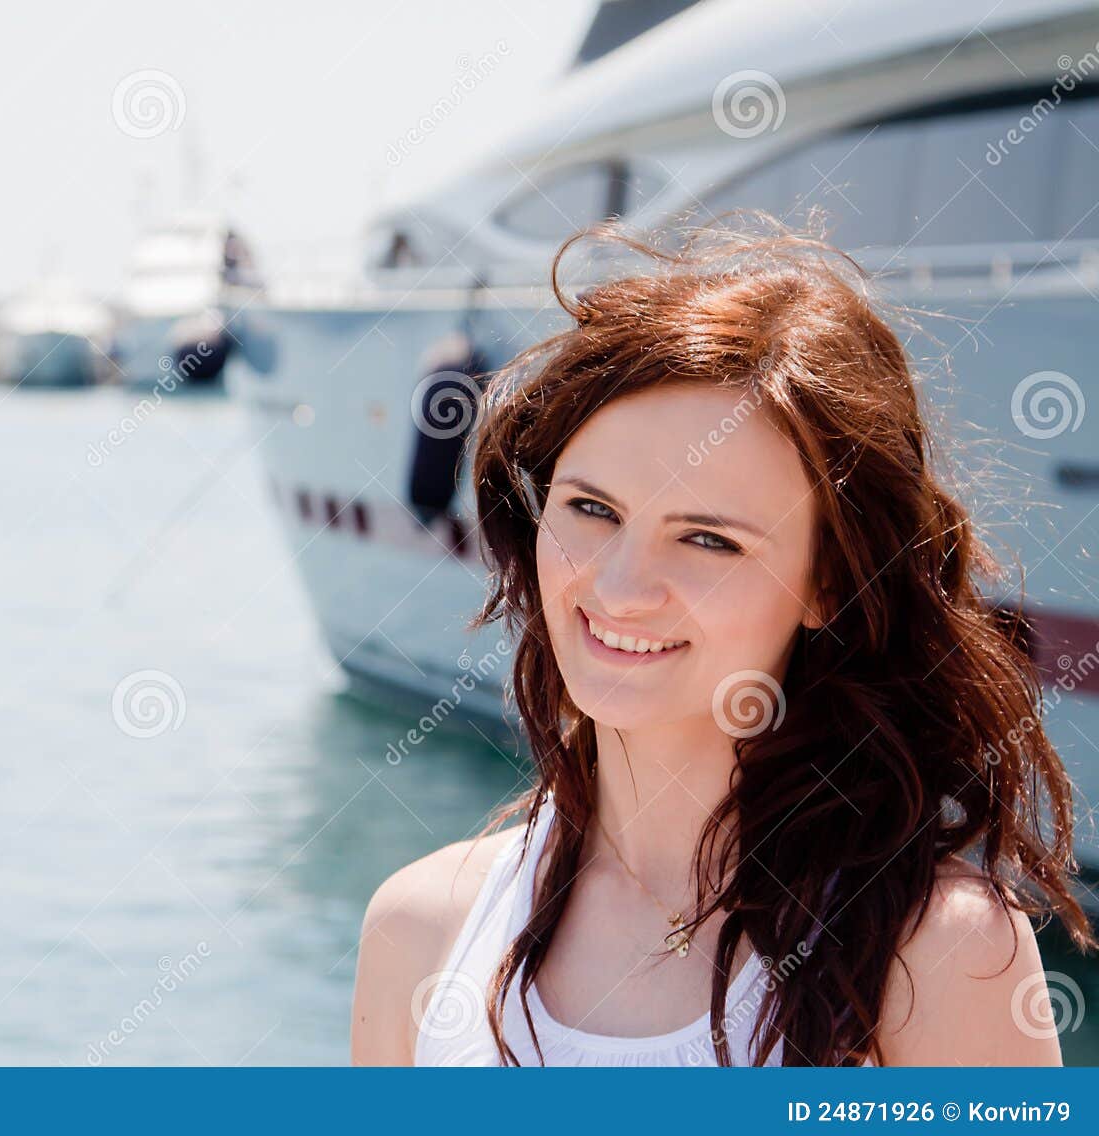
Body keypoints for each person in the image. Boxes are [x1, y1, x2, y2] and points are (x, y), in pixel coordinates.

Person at [350, 217, 1097, 1066]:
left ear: (829, 583)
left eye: (708, 538)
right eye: (592, 509)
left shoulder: (938, 954)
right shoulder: (419, 930)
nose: (622, 586)